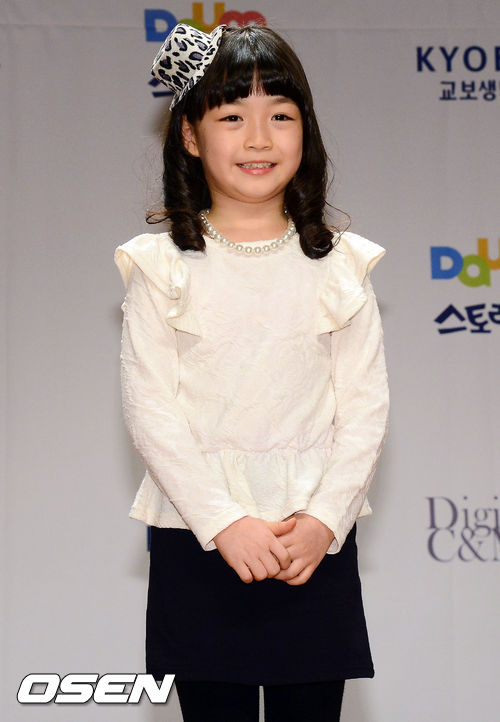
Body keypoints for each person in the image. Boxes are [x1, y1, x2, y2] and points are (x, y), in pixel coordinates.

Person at [114, 22, 389, 722]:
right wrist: (224, 523)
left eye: (281, 116)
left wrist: (324, 522)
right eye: (233, 117)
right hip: (199, 537)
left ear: (307, 132)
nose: (259, 139)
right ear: (190, 135)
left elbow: (364, 410)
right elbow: (151, 410)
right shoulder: (161, 267)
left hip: (310, 543)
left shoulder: (341, 265)